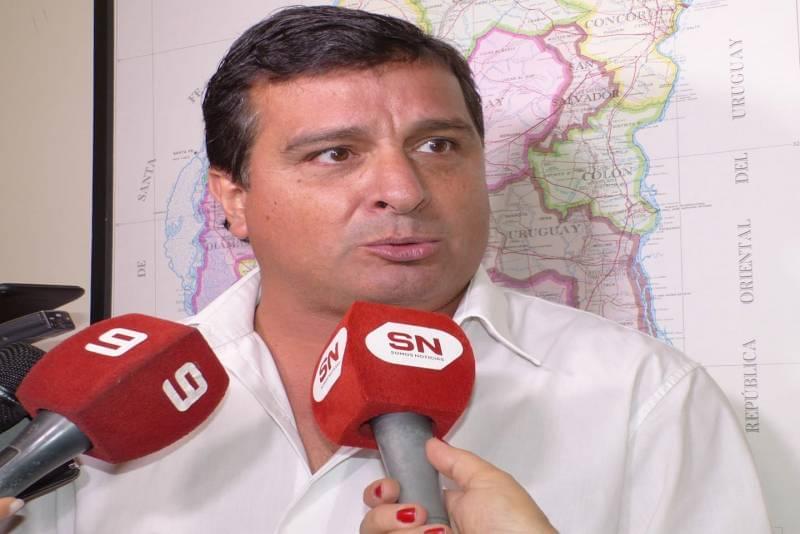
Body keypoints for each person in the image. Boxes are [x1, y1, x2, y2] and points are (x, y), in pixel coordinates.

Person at [0, 5, 770, 533]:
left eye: (439, 145)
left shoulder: (644, 398)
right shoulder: (88, 413)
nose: (403, 190)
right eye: (334, 154)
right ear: (232, 199)